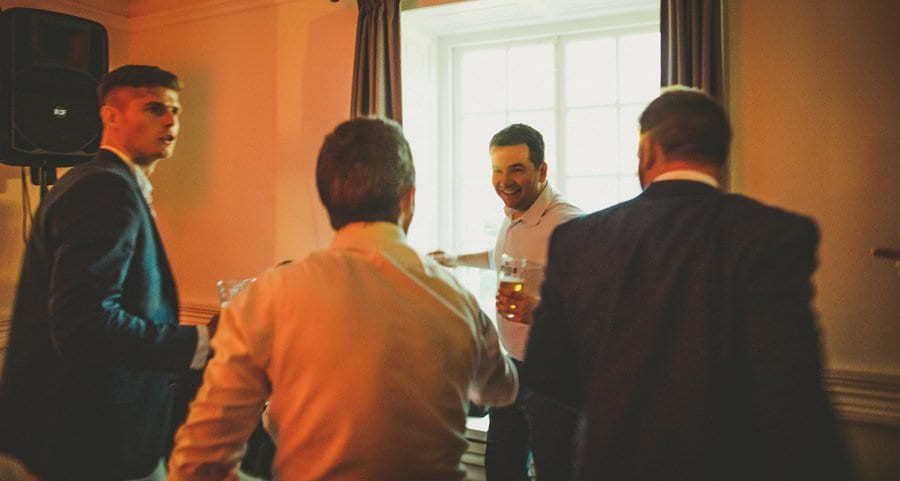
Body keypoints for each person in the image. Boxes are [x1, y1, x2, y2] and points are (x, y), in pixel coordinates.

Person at [523, 86, 855, 481]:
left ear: (647, 151)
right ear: (720, 157)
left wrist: (616, 403)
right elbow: (789, 391)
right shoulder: (770, 236)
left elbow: (546, 367)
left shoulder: (578, 238)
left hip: (610, 462)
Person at [168, 117, 518, 481]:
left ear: (326, 199)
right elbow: (502, 390)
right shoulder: (458, 299)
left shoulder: (269, 297)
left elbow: (197, 465)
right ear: (408, 198)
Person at [0, 65, 212, 481]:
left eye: (175, 111)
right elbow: (84, 324)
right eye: (154, 108)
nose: (171, 121)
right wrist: (202, 340)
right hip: (90, 440)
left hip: (89, 433)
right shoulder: (105, 189)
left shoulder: (101, 182)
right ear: (110, 116)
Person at [430, 123, 583, 481]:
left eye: (516, 169)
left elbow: (591, 306)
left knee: (555, 467)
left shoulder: (569, 224)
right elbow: (500, 256)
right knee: (501, 463)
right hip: (512, 364)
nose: (504, 180)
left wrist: (538, 311)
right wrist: (455, 259)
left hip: (554, 372)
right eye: (497, 169)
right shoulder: (514, 213)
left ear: (542, 170)